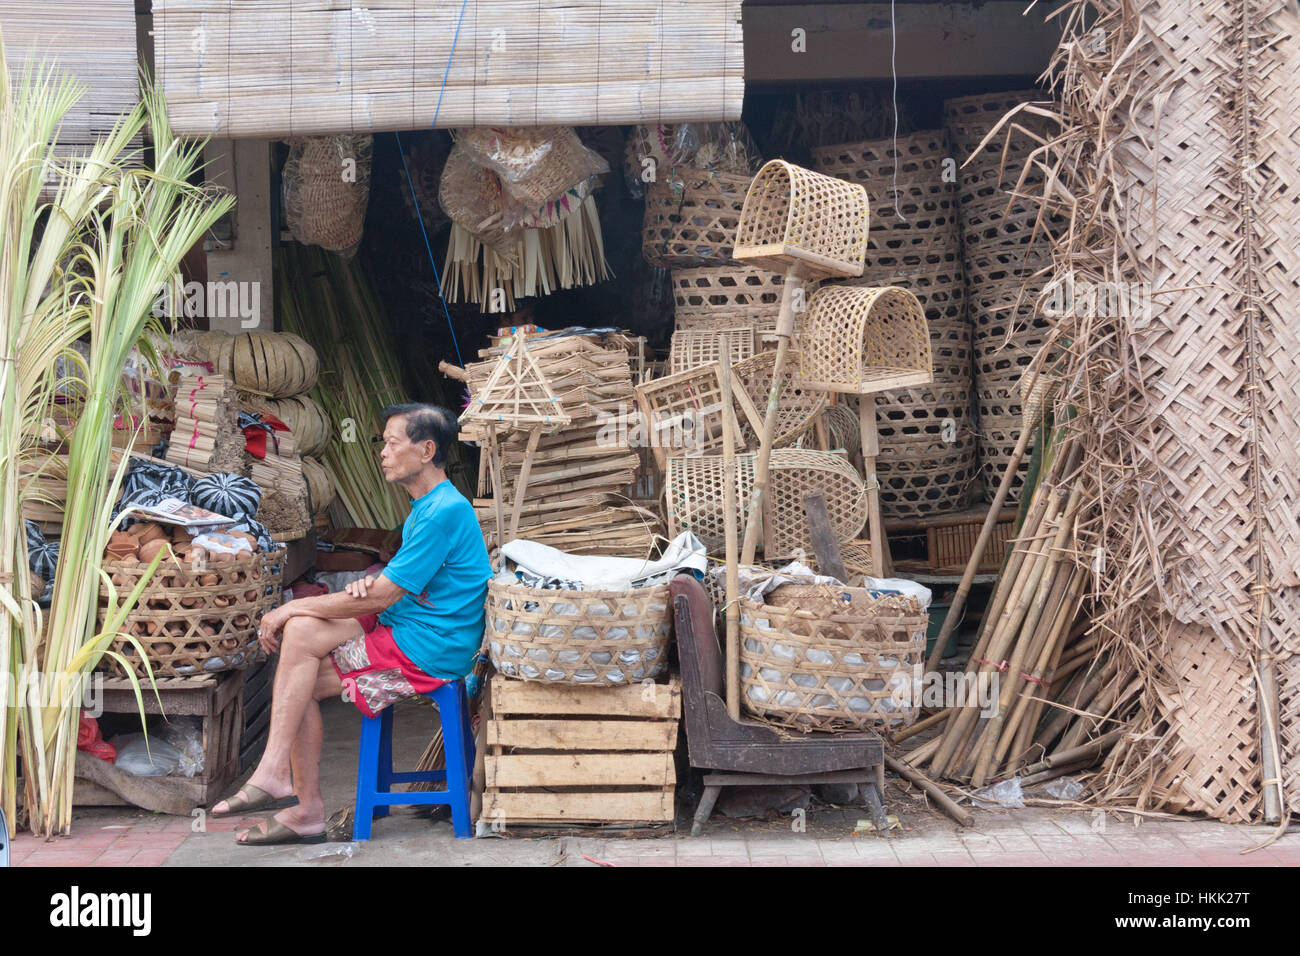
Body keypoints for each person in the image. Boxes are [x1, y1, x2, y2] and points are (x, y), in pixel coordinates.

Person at [212, 403, 491, 845]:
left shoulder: (443, 511)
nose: (382, 452)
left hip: (428, 648)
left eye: (391, 442)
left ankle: (296, 799)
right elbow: (399, 583)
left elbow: (385, 596)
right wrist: (371, 582)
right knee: (301, 640)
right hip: (405, 627)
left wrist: (287, 608)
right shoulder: (428, 505)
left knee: (298, 661)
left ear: (426, 450)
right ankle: (281, 780)